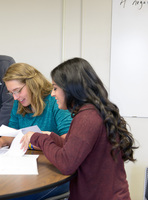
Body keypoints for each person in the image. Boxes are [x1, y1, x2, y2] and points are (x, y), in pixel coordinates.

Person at [21, 57, 137, 200]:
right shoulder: (92, 111)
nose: (52, 94)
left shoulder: (87, 117)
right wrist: (51, 136)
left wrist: (38, 137)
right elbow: (77, 148)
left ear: (71, 88)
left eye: (55, 88)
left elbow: (66, 164)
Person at [0, 63, 72, 199]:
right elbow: (14, 133)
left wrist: (36, 140)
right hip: (31, 168)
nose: (15, 97)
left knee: (11, 196)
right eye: (11, 93)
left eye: (18, 90)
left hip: (56, 174)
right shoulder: (19, 102)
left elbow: (67, 143)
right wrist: (1, 141)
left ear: (32, 83)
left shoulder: (55, 100)